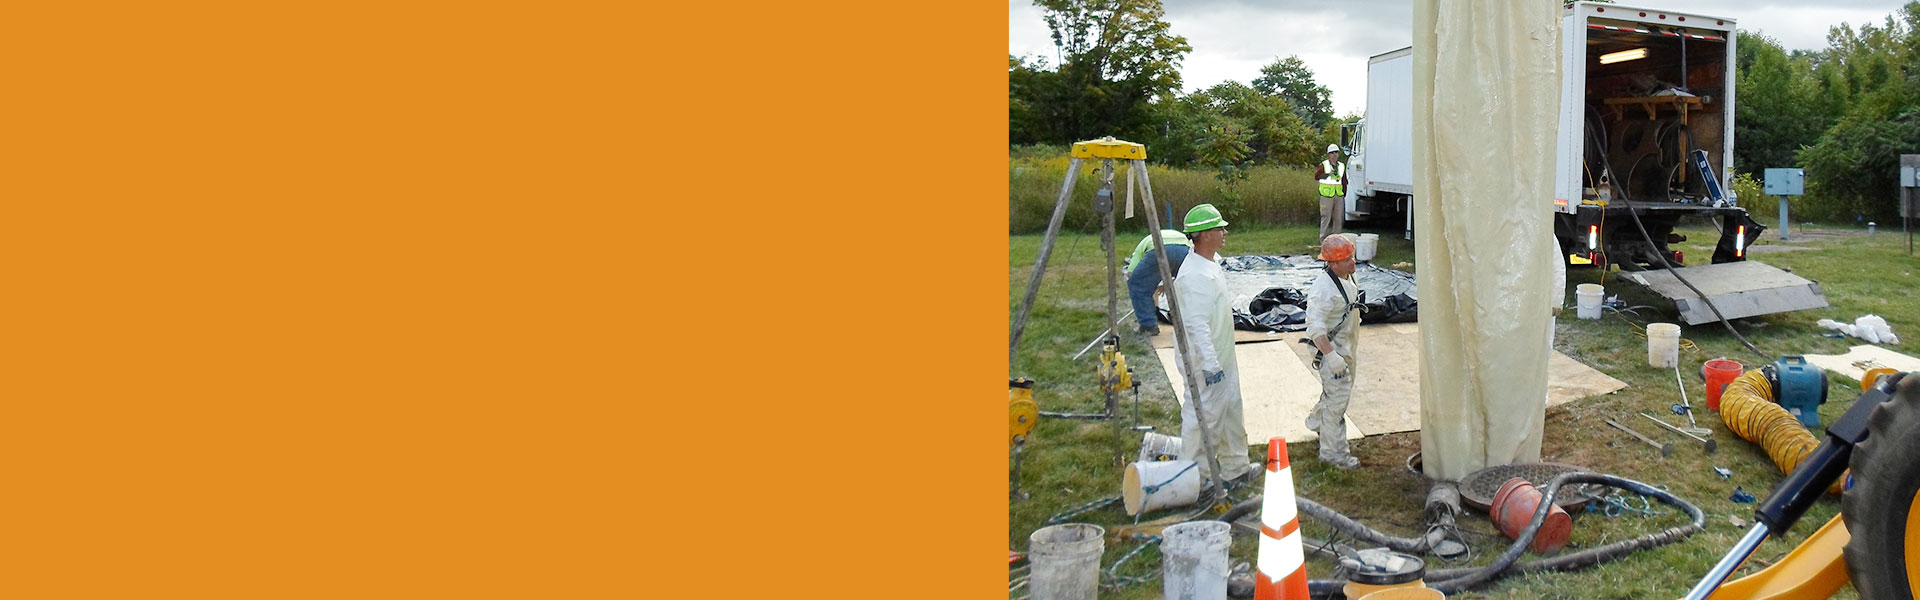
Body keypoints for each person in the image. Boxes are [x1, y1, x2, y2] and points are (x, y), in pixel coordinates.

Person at [1171, 204, 1252, 483]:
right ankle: (1197, 478)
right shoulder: (1194, 275)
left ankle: (1235, 467)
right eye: (1219, 228)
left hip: (1221, 356)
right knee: (1204, 417)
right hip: (1206, 362)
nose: (1224, 231)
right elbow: (1195, 325)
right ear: (1204, 235)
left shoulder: (1210, 263)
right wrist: (1209, 364)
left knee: (1230, 409)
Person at [1304, 234, 1363, 469]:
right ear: (1332, 263)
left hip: (1345, 347)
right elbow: (1315, 327)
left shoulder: (1347, 276)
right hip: (1329, 350)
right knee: (1337, 400)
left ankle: (1318, 423)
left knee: (1336, 393)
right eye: (1346, 260)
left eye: (1352, 257)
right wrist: (1330, 356)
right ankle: (1333, 453)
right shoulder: (1323, 290)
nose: (1353, 263)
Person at [1124, 230, 1191, 336]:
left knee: (1137, 285)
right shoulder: (1175, 234)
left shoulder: (1139, 249)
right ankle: (1189, 321)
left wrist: (1149, 284)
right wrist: (1167, 284)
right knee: (1188, 286)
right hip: (1185, 248)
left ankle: (1148, 326)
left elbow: (1131, 274)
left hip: (1157, 247)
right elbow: (1181, 276)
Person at [1315, 144, 1348, 241]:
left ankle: (1336, 240)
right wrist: (1326, 174)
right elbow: (1316, 177)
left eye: (1336, 152)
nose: (1335, 155)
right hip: (1326, 196)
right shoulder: (1324, 165)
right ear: (1329, 154)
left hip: (1338, 195)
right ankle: (1323, 240)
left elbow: (1344, 181)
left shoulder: (1341, 166)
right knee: (1326, 217)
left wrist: (1344, 193)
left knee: (1338, 218)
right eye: (1332, 153)